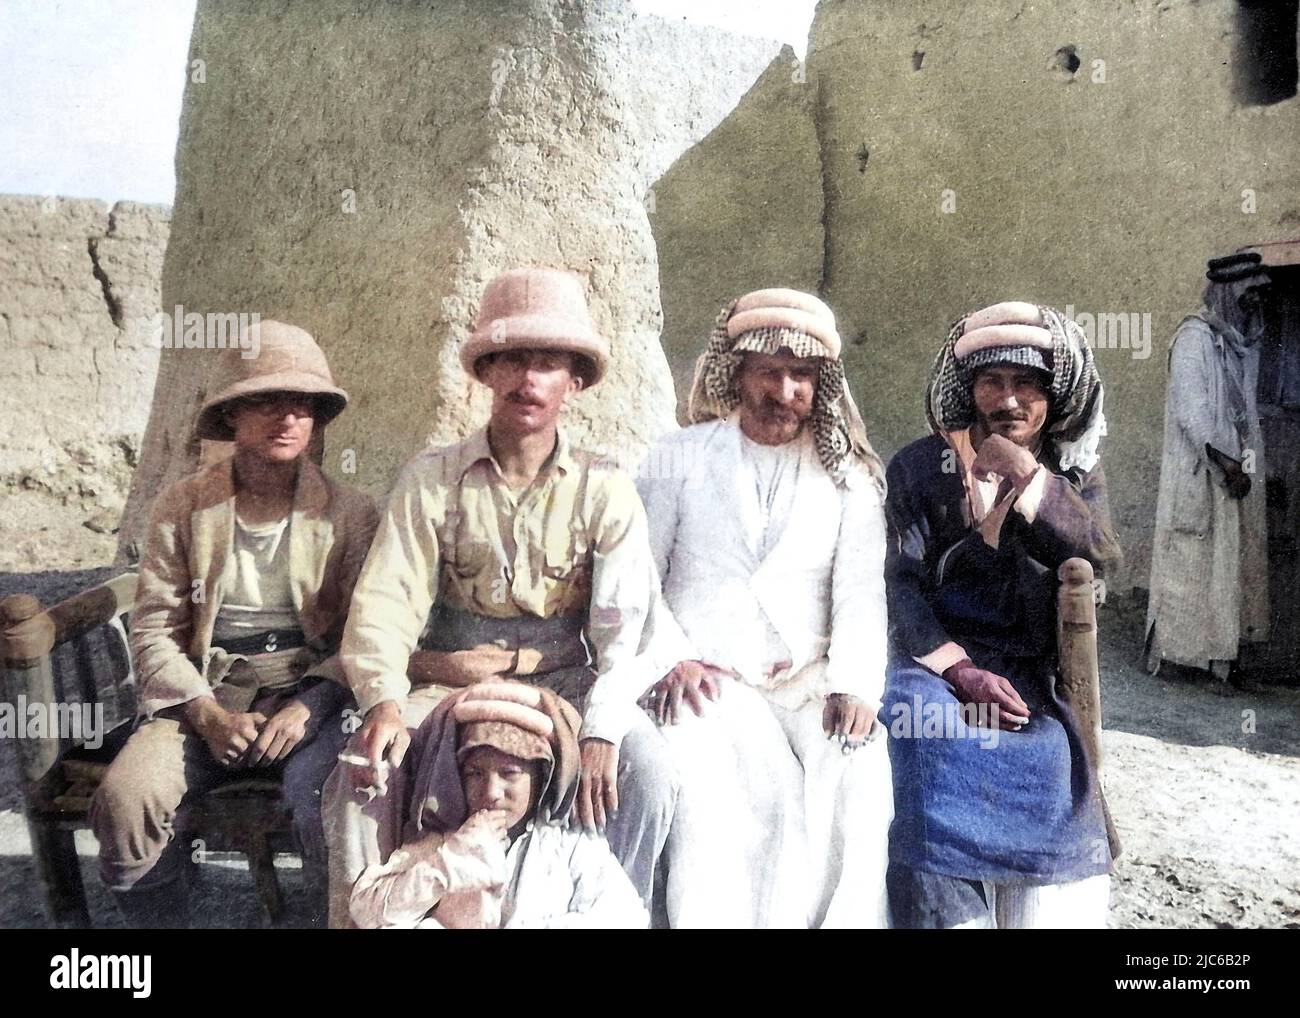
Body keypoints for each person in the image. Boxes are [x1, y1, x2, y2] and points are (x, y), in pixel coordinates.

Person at [324, 267, 676, 927]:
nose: (528, 379)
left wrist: (602, 727)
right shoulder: (432, 480)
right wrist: (382, 702)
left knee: (649, 774)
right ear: (486, 373)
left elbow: (623, 629)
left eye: (549, 364)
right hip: (452, 685)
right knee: (360, 776)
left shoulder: (605, 487)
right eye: (511, 360)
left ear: (574, 382)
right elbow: (386, 604)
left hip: (565, 681)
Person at [90, 320, 378, 927]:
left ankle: (334, 917)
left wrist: (313, 704)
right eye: (267, 402)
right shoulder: (184, 507)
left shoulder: (350, 514)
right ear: (233, 416)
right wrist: (206, 713)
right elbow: (156, 631)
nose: (287, 419)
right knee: (126, 800)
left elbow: (367, 631)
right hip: (208, 696)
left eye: (303, 405)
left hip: (310, 699)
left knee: (333, 797)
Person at [636, 288, 893, 928]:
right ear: (737, 372)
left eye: (801, 375)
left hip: (807, 686)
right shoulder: (679, 457)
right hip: (703, 682)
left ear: (820, 383)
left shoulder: (849, 480)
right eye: (769, 372)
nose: (784, 391)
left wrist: (854, 686)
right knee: (730, 806)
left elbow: (862, 593)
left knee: (861, 785)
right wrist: (671, 658)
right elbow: (636, 576)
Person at [882, 300, 1122, 929]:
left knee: (1048, 764)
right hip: (934, 669)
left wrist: (1029, 479)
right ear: (970, 390)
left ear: (1053, 395)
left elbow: (1101, 556)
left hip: (1029, 679)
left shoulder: (1073, 473)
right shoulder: (919, 467)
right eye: (992, 382)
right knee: (927, 747)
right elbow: (902, 588)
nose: (1009, 400)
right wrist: (959, 672)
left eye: (1027, 385)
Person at [349, 681, 648, 928]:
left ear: (540, 777)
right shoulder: (446, 842)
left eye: (510, 774)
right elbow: (367, 911)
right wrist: (448, 863)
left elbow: (627, 915)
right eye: (475, 774)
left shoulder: (568, 843)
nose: (491, 792)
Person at [1146, 253, 1272, 683]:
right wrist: (1228, 465)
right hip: (1201, 475)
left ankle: (1220, 660)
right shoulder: (1193, 339)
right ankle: (1180, 660)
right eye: (1249, 292)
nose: (1256, 301)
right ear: (1228, 293)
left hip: (1232, 475)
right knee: (1191, 566)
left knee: (1227, 572)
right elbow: (1193, 414)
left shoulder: (1237, 346)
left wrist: (1247, 467)